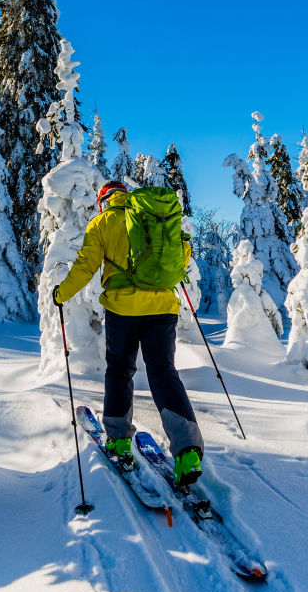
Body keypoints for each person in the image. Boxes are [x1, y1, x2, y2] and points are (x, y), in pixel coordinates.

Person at [52, 180, 204, 486]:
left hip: (123, 310)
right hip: (163, 307)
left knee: (120, 370)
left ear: (103, 201)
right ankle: (187, 452)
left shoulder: (103, 222)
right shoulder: (150, 216)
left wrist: (61, 294)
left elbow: (85, 266)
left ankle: (119, 441)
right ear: (126, 196)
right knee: (163, 373)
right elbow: (182, 255)